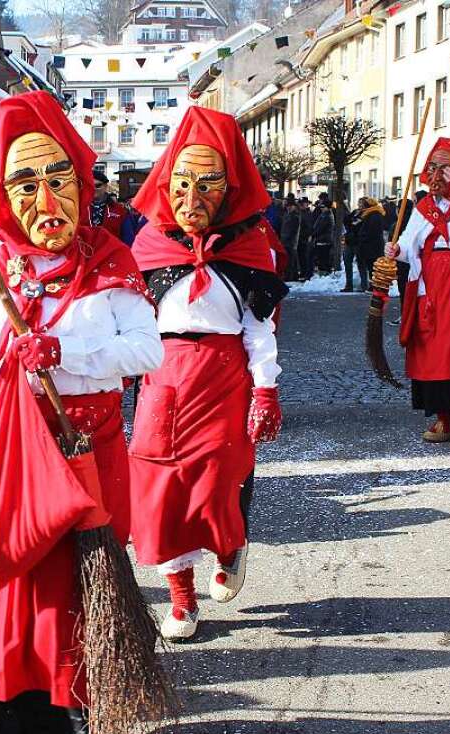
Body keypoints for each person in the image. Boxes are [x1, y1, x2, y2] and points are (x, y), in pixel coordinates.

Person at [0, 90, 165, 734]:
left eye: (56, 178)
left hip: (87, 455)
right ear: (0, 193)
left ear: (81, 185)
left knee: (76, 602)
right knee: (12, 596)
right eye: (24, 182)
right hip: (14, 459)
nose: (44, 198)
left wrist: (65, 353)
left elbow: (146, 350)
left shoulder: (111, 262)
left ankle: (74, 728)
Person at [128, 106, 287, 641]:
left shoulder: (249, 245)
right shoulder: (148, 244)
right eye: (182, 184)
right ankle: (180, 598)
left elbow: (260, 328)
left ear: (230, 186)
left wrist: (266, 389)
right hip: (162, 380)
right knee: (161, 490)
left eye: (208, 185)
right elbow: (125, 321)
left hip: (224, 378)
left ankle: (229, 544)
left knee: (217, 483)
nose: (192, 200)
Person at [385, 138, 450, 443]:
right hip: (431, 286)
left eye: (445, 167)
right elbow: (410, 243)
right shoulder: (424, 206)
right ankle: (441, 413)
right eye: (433, 166)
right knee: (432, 350)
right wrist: (396, 249)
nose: (437, 173)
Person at [356, 197, 386, 292]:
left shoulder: (373, 215)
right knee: (372, 267)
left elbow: (371, 231)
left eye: (363, 205)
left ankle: (375, 286)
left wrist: (362, 237)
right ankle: (373, 285)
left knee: (373, 267)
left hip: (372, 247)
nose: (360, 207)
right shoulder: (372, 214)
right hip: (372, 247)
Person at [89, 168, 127, 240]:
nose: (94, 188)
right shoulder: (78, 208)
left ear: (105, 186)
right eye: (91, 185)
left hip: (112, 249)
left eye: (98, 185)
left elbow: (128, 238)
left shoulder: (119, 210)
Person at [342, 201, 363, 292]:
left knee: (361, 264)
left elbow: (358, 226)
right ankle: (348, 285)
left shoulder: (366, 214)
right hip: (349, 241)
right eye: (359, 203)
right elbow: (346, 220)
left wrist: (353, 224)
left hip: (358, 242)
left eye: (362, 203)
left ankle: (364, 285)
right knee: (347, 263)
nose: (359, 205)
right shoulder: (355, 212)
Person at [311, 195, 335, 275]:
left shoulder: (327, 216)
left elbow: (320, 228)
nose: (321, 208)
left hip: (324, 240)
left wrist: (313, 235)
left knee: (324, 259)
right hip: (322, 240)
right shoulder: (323, 215)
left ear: (327, 207)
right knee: (321, 258)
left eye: (323, 207)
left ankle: (324, 274)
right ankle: (323, 273)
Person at [280, 196, 302, 281]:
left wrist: (286, 238)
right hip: (286, 240)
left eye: (290, 206)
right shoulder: (287, 215)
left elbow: (293, 230)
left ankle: (291, 276)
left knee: (291, 260)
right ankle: (291, 275)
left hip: (291, 242)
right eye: (288, 206)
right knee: (289, 260)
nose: (288, 207)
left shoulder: (295, 216)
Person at [297, 197, 314, 280]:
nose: (301, 205)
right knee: (301, 256)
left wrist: (307, 236)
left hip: (305, 238)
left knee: (305, 257)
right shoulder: (300, 213)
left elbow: (309, 227)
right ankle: (303, 272)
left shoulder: (308, 214)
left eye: (303, 203)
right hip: (300, 238)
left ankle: (306, 273)